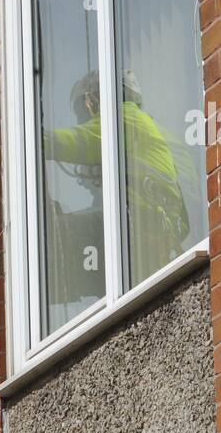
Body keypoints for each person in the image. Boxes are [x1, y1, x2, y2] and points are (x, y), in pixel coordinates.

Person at [43, 69, 190, 289]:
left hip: (143, 223)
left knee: (51, 245)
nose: (86, 120)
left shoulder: (121, 120)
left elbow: (75, 141)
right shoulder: (145, 127)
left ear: (93, 100)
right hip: (156, 229)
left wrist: (31, 137)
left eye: (83, 111)